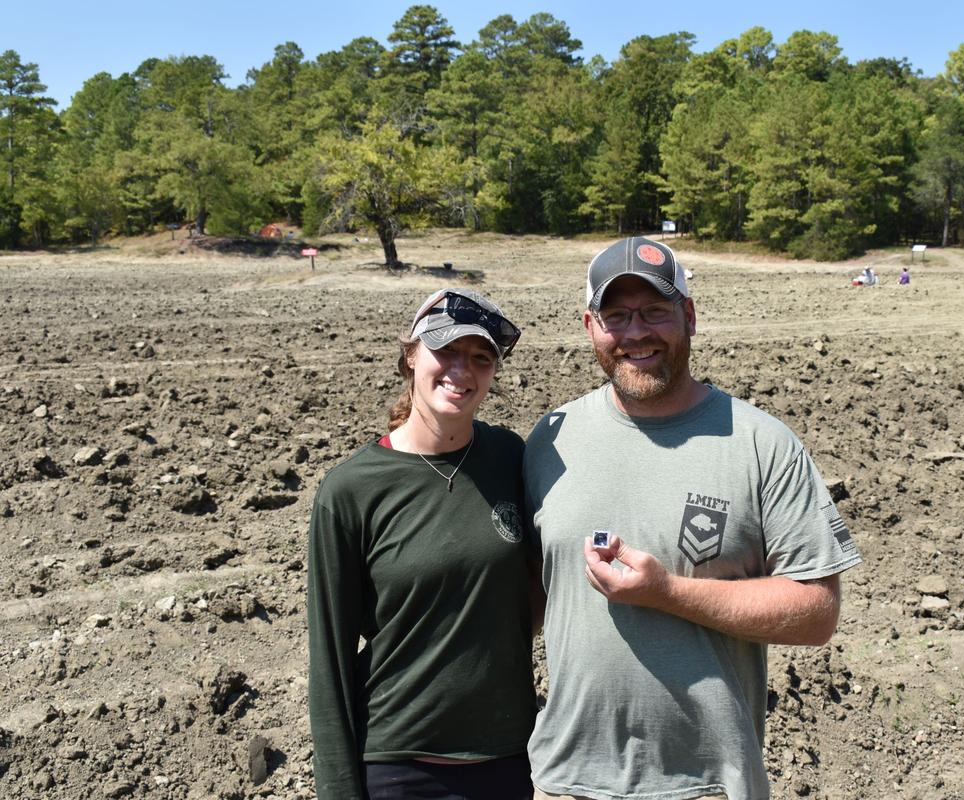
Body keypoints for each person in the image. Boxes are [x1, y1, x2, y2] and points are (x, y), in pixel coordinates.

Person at [523, 237, 863, 800]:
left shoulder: (761, 445)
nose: (636, 334)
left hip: (708, 785)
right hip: (566, 782)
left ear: (689, 316)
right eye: (616, 316)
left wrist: (668, 593)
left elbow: (817, 612)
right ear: (590, 326)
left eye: (655, 311)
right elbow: (533, 599)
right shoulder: (550, 441)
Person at [308, 288, 537, 800]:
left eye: (481, 358)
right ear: (411, 355)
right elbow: (330, 659)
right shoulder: (351, 489)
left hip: (509, 760)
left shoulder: (509, 458)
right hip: (400, 767)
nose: (463, 370)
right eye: (447, 351)